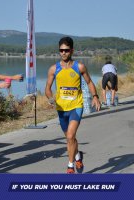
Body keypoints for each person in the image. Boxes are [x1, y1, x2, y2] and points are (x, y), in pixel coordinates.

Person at [45, 37, 101, 174]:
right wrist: (50, 98)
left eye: (66, 50)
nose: (63, 53)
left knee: (70, 136)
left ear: (71, 50)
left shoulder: (79, 67)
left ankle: (70, 166)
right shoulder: (54, 69)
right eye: (61, 50)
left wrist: (95, 97)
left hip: (76, 106)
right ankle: (77, 156)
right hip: (61, 109)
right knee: (70, 138)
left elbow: (89, 82)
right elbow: (47, 87)